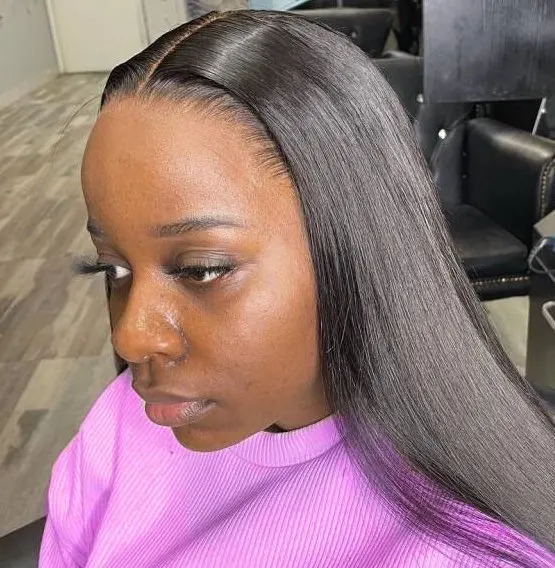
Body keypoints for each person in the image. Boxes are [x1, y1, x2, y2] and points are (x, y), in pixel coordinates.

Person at [39, 10, 555, 567]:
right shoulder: (128, 417)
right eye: (113, 268)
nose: (131, 338)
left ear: (358, 244)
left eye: (202, 270)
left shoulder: (464, 552)